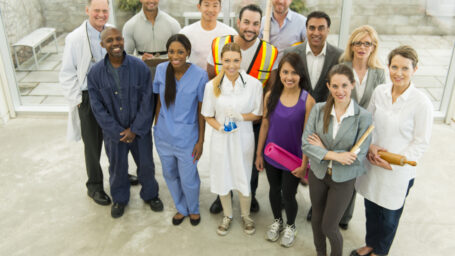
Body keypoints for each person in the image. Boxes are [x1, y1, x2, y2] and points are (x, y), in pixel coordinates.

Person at [351, 46, 433, 256]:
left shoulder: (422, 103)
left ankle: (380, 251)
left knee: (389, 215)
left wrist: (397, 160)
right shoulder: (380, 92)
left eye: (405, 68)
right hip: (373, 160)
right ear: (388, 67)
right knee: (371, 208)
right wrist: (369, 146)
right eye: (394, 67)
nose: (398, 73)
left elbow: (421, 142)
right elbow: (368, 122)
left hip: (397, 169)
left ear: (415, 69)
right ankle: (370, 244)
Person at [59, 0, 137, 207]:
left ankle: (119, 174)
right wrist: (79, 101)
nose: (101, 14)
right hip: (88, 97)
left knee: (117, 138)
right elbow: (67, 73)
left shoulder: (112, 31)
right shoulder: (74, 38)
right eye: (97, 10)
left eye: (105, 10)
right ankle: (94, 186)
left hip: (114, 95)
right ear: (87, 11)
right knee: (93, 146)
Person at [206, 4, 278, 214]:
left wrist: (259, 115)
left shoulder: (270, 52)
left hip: (251, 120)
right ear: (238, 22)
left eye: (256, 24)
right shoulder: (219, 44)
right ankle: (223, 196)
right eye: (246, 22)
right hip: (224, 118)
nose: (250, 28)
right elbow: (211, 75)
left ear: (260, 26)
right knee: (222, 159)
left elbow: (271, 87)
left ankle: (250, 194)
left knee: (250, 162)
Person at [87, 27, 163, 218]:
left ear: (123, 40)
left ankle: (150, 194)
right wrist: (118, 131)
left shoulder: (140, 67)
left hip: (140, 131)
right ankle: (120, 199)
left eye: (118, 39)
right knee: (117, 167)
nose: (115, 43)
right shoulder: (95, 73)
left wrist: (135, 129)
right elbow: (97, 108)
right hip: (114, 134)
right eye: (110, 40)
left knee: (146, 165)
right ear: (102, 44)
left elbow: (148, 101)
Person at [302, 64, 372, 256]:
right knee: (316, 220)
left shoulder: (363, 117)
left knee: (330, 226)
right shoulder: (318, 109)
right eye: (334, 86)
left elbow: (356, 158)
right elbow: (306, 145)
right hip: (318, 173)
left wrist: (323, 150)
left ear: (352, 85)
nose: (339, 91)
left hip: (343, 180)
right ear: (328, 86)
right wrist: (334, 155)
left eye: (344, 85)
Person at [283, 10, 343, 220]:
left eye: (321, 28)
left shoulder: (339, 56)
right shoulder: (293, 53)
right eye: (312, 28)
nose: (316, 32)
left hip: (327, 120)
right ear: (306, 29)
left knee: (322, 166)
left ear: (328, 30)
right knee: (296, 160)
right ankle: (288, 197)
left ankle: (317, 207)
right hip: (298, 119)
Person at [201, 42, 263, 236]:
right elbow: (207, 115)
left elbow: (258, 114)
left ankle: (246, 216)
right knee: (223, 176)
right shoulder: (212, 86)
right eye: (227, 61)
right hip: (221, 140)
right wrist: (220, 127)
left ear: (241, 60)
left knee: (243, 176)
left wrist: (240, 116)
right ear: (221, 61)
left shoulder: (254, 84)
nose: (231, 65)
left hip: (243, 139)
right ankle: (227, 215)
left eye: (235, 60)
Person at [255, 52, 315, 247]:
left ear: (301, 75)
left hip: (293, 160)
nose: (289, 77)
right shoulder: (271, 95)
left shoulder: (307, 101)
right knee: (274, 190)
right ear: (279, 73)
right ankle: (277, 222)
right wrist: (259, 154)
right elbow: (264, 125)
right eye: (285, 72)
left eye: (294, 73)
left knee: (289, 194)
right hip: (271, 156)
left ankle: (290, 225)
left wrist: (305, 164)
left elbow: (308, 136)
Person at [153, 34, 208, 226]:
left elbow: (202, 111)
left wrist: (201, 141)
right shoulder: (161, 70)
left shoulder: (200, 75)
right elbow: (159, 101)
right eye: (171, 51)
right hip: (163, 136)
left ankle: (193, 208)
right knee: (169, 174)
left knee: (188, 178)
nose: (175, 56)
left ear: (188, 53)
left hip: (187, 139)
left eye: (180, 52)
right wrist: (156, 127)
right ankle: (181, 208)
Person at [337, 25, 385, 230]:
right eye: (358, 42)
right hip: (341, 128)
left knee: (354, 174)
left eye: (367, 43)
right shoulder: (341, 67)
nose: (362, 47)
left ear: (373, 46)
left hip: (365, 131)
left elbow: (381, 104)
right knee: (335, 171)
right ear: (352, 45)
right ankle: (325, 210)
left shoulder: (379, 72)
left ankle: (344, 216)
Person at [179, 0, 237, 70]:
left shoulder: (230, 33)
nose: (210, 10)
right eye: (206, 5)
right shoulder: (186, 33)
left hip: (220, 78)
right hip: (195, 79)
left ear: (220, 8)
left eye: (215, 6)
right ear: (199, 7)